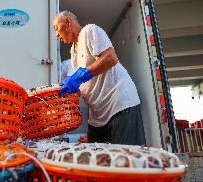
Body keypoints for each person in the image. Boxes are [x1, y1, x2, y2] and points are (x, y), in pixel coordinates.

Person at [53, 10, 146, 145]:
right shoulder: (73, 51)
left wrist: (81, 76)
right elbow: (86, 82)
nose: (56, 34)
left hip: (119, 104)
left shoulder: (89, 30)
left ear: (68, 22)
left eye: (57, 28)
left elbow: (110, 58)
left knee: (125, 160)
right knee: (100, 161)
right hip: (98, 115)